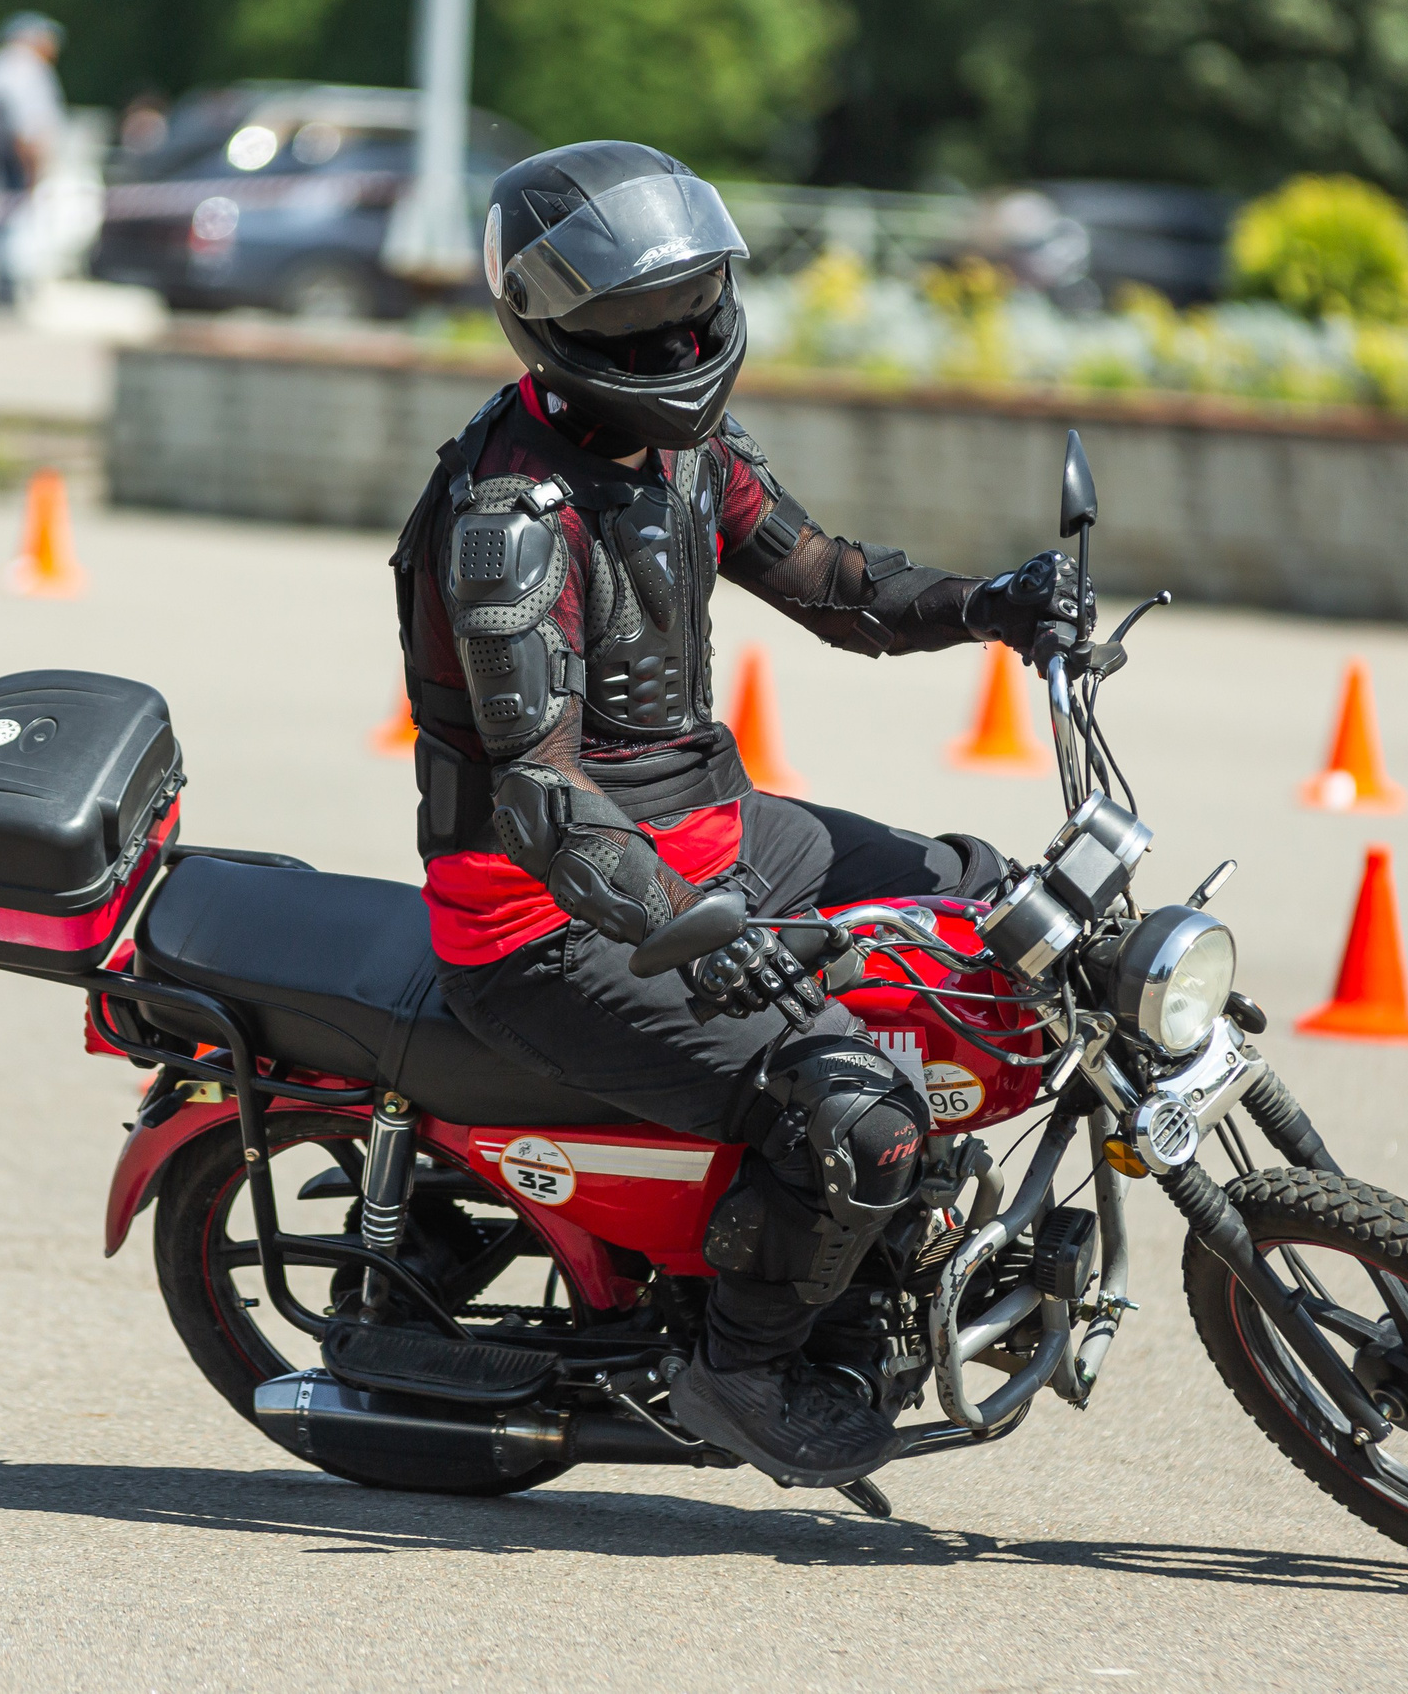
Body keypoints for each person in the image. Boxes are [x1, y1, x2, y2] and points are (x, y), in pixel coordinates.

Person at [392, 141, 1085, 1489]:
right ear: (566, 328)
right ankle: (744, 1360)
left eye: (698, 304)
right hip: (547, 915)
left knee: (999, 909)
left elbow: (829, 581)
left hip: (715, 831)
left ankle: (886, 1250)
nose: (686, 336)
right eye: (649, 321)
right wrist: (696, 931)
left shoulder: (683, 452)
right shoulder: (509, 521)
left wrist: (990, 604)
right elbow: (542, 800)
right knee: (861, 1113)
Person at [0, 12, 67, 317]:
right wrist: (34, 170)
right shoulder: (26, 68)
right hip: (17, 162)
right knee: (16, 230)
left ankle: (5, 288)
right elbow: (26, 126)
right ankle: (10, 291)